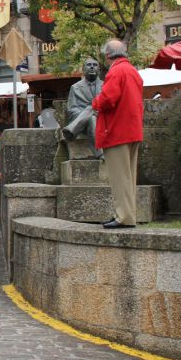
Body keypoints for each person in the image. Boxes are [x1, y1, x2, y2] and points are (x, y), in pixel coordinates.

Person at [93, 40, 144, 229]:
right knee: (129, 176)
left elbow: (107, 99)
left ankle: (123, 216)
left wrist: (95, 103)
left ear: (108, 56)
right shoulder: (132, 71)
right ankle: (127, 215)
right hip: (132, 130)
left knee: (119, 177)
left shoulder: (115, 71)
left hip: (116, 131)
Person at [63, 58, 104, 157]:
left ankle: (72, 129)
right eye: (89, 65)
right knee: (91, 116)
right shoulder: (75, 87)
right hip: (82, 123)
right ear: (83, 69)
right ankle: (100, 153)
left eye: (95, 65)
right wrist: (86, 114)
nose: (92, 67)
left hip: (102, 119)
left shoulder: (106, 85)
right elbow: (71, 109)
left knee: (91, 112)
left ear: (99, 69)